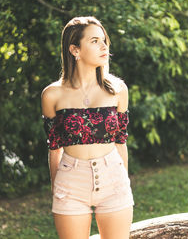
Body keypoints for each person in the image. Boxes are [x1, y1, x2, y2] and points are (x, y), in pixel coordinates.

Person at [41, 16, 134, 239]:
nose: (104, 46)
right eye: (94, 41)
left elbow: (121, 142)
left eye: (104, 40)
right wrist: (57, 188)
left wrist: (124, 181)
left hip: (114, 178)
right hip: (71, 182)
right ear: (75, 50)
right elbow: (54, 148)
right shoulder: (52, 95)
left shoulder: (117, 90)